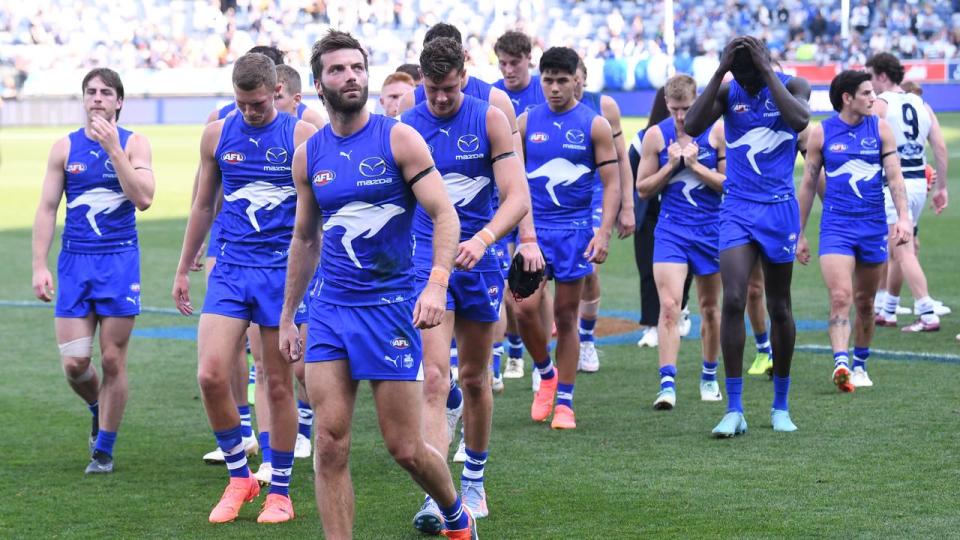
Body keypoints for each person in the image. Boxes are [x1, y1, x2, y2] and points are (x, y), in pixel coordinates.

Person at [278, 30, 478, 539]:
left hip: (390, 308)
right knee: (329, 441)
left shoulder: (398, 138)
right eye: (338, 70)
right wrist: (288, 315)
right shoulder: (308, 155)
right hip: (329, 311)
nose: (351, 77)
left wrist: (436, 284)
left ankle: (456, 516)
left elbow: (444, 213)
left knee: (405, 447)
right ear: (320, 84)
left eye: (357, 68)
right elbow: (305, 240)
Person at [172, 52, 317, 523]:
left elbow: (317, 216)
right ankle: (240, 477)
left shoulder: (300, 136)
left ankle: (280, 490)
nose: (250, 112)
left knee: (278, 383)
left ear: (276, 91)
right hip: (231, 269)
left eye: (257, 103)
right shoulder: (217, 132)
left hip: (281, 274)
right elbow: (201, 203)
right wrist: (182, 265)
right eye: (242, 103)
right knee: (211, 374)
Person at [402, 36, 530, 532]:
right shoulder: (406, 126)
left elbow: (517, 195)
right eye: (431, 90)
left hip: (480, 261)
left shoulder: (490, 117)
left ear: (464, 75)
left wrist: (486, 238)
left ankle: (474, 479)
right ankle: (441, 498)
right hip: (424, 263)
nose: (439, 100)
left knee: (475, 378)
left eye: (449, 90)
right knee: (435, 377)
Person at [684, 36, 811, 436]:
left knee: (779, 306)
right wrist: (721, 70)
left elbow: (800, 120)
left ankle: (780, 404)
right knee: (734, 298)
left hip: (779, 209)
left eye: (750, 72)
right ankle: (734, 408)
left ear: (766, 63)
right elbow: (690, 125)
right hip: (737, 208)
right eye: (741, 73)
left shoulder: (792, 85)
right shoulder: (727, 90)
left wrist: (767, 71)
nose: (747, 81)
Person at [32, 67, 155, 474]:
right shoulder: (64, 148)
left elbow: (143, 199)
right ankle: (96, 405)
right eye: (91, 92)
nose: (98, 98)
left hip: (119, 262)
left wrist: (113, 150)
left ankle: (104, 448)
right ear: (84, 100)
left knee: (113, 360)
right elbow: (48, 208)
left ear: (119, 101)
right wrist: (39, 265)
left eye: (106, 92)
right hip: (74, 264)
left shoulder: (135, 144)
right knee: (75, 364)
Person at [516, 46, 620, 429]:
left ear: (576, 78)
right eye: (548, 80)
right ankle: (546, 374)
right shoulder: (526, 122)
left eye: (562, 80)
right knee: (523, 309)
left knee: (566, 317)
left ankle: (565, 403)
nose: (555, 88)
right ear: (540, 79)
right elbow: (511, 178)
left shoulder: (594, 124)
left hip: (575, 233)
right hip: (534, 234)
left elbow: (611, 183)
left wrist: (604, 232)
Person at [797, 70, 912, 391]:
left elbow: (894, 176)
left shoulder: (881, 129)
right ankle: (841, 364)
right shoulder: (822, 133)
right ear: (847, 98)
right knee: (840, 296)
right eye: (866, 93)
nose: (873, 98)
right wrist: (800, 233)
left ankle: (860, 363)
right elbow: (807, 185)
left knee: (864, 302)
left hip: (873, 226)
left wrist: (903, 217)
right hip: (836, 227)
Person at [636, 74, 726, 409]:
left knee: (710, 309)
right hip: (672, 231)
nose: (679, 116)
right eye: (674, 108)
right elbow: (642, 188)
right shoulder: (655, 136)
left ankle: (708, 375)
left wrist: (695, 165)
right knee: (670, 306)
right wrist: (672, 165)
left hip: (711, 230)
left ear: (698, 100)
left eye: (686, 108)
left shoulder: (716, 131)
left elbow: (727, 183)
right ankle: (667, 384)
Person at [866, 52, 950, 332]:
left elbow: (867, 143)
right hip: (918, 183)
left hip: (895, 185)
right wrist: (942, 187)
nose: (870, 84)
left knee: (903, 252)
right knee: (899, 246)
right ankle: (888, 309)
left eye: (871, 77)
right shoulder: (921, 103)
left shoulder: (881, 103)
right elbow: (939, 147)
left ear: (882, 76)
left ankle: (927, 312)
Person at [573, 60, 636, 373]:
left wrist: (627, 205)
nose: (573, 85)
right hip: (559, 201)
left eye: (578, 79)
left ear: (583, 77)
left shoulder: (603, 105)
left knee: (589, 268)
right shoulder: (543, 106)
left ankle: (585, 341)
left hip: (597, 195)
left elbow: (622, 156)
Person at [492, 30, 547, 383]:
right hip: (501, 201)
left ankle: (541, 352)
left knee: (536, 286)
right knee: (506, 283)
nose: (509, 69)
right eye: (503, 63)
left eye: (515, 62)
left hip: (539, 202)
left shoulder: (545, 90)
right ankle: (513, 351)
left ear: (529, 59)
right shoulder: (494, 96)